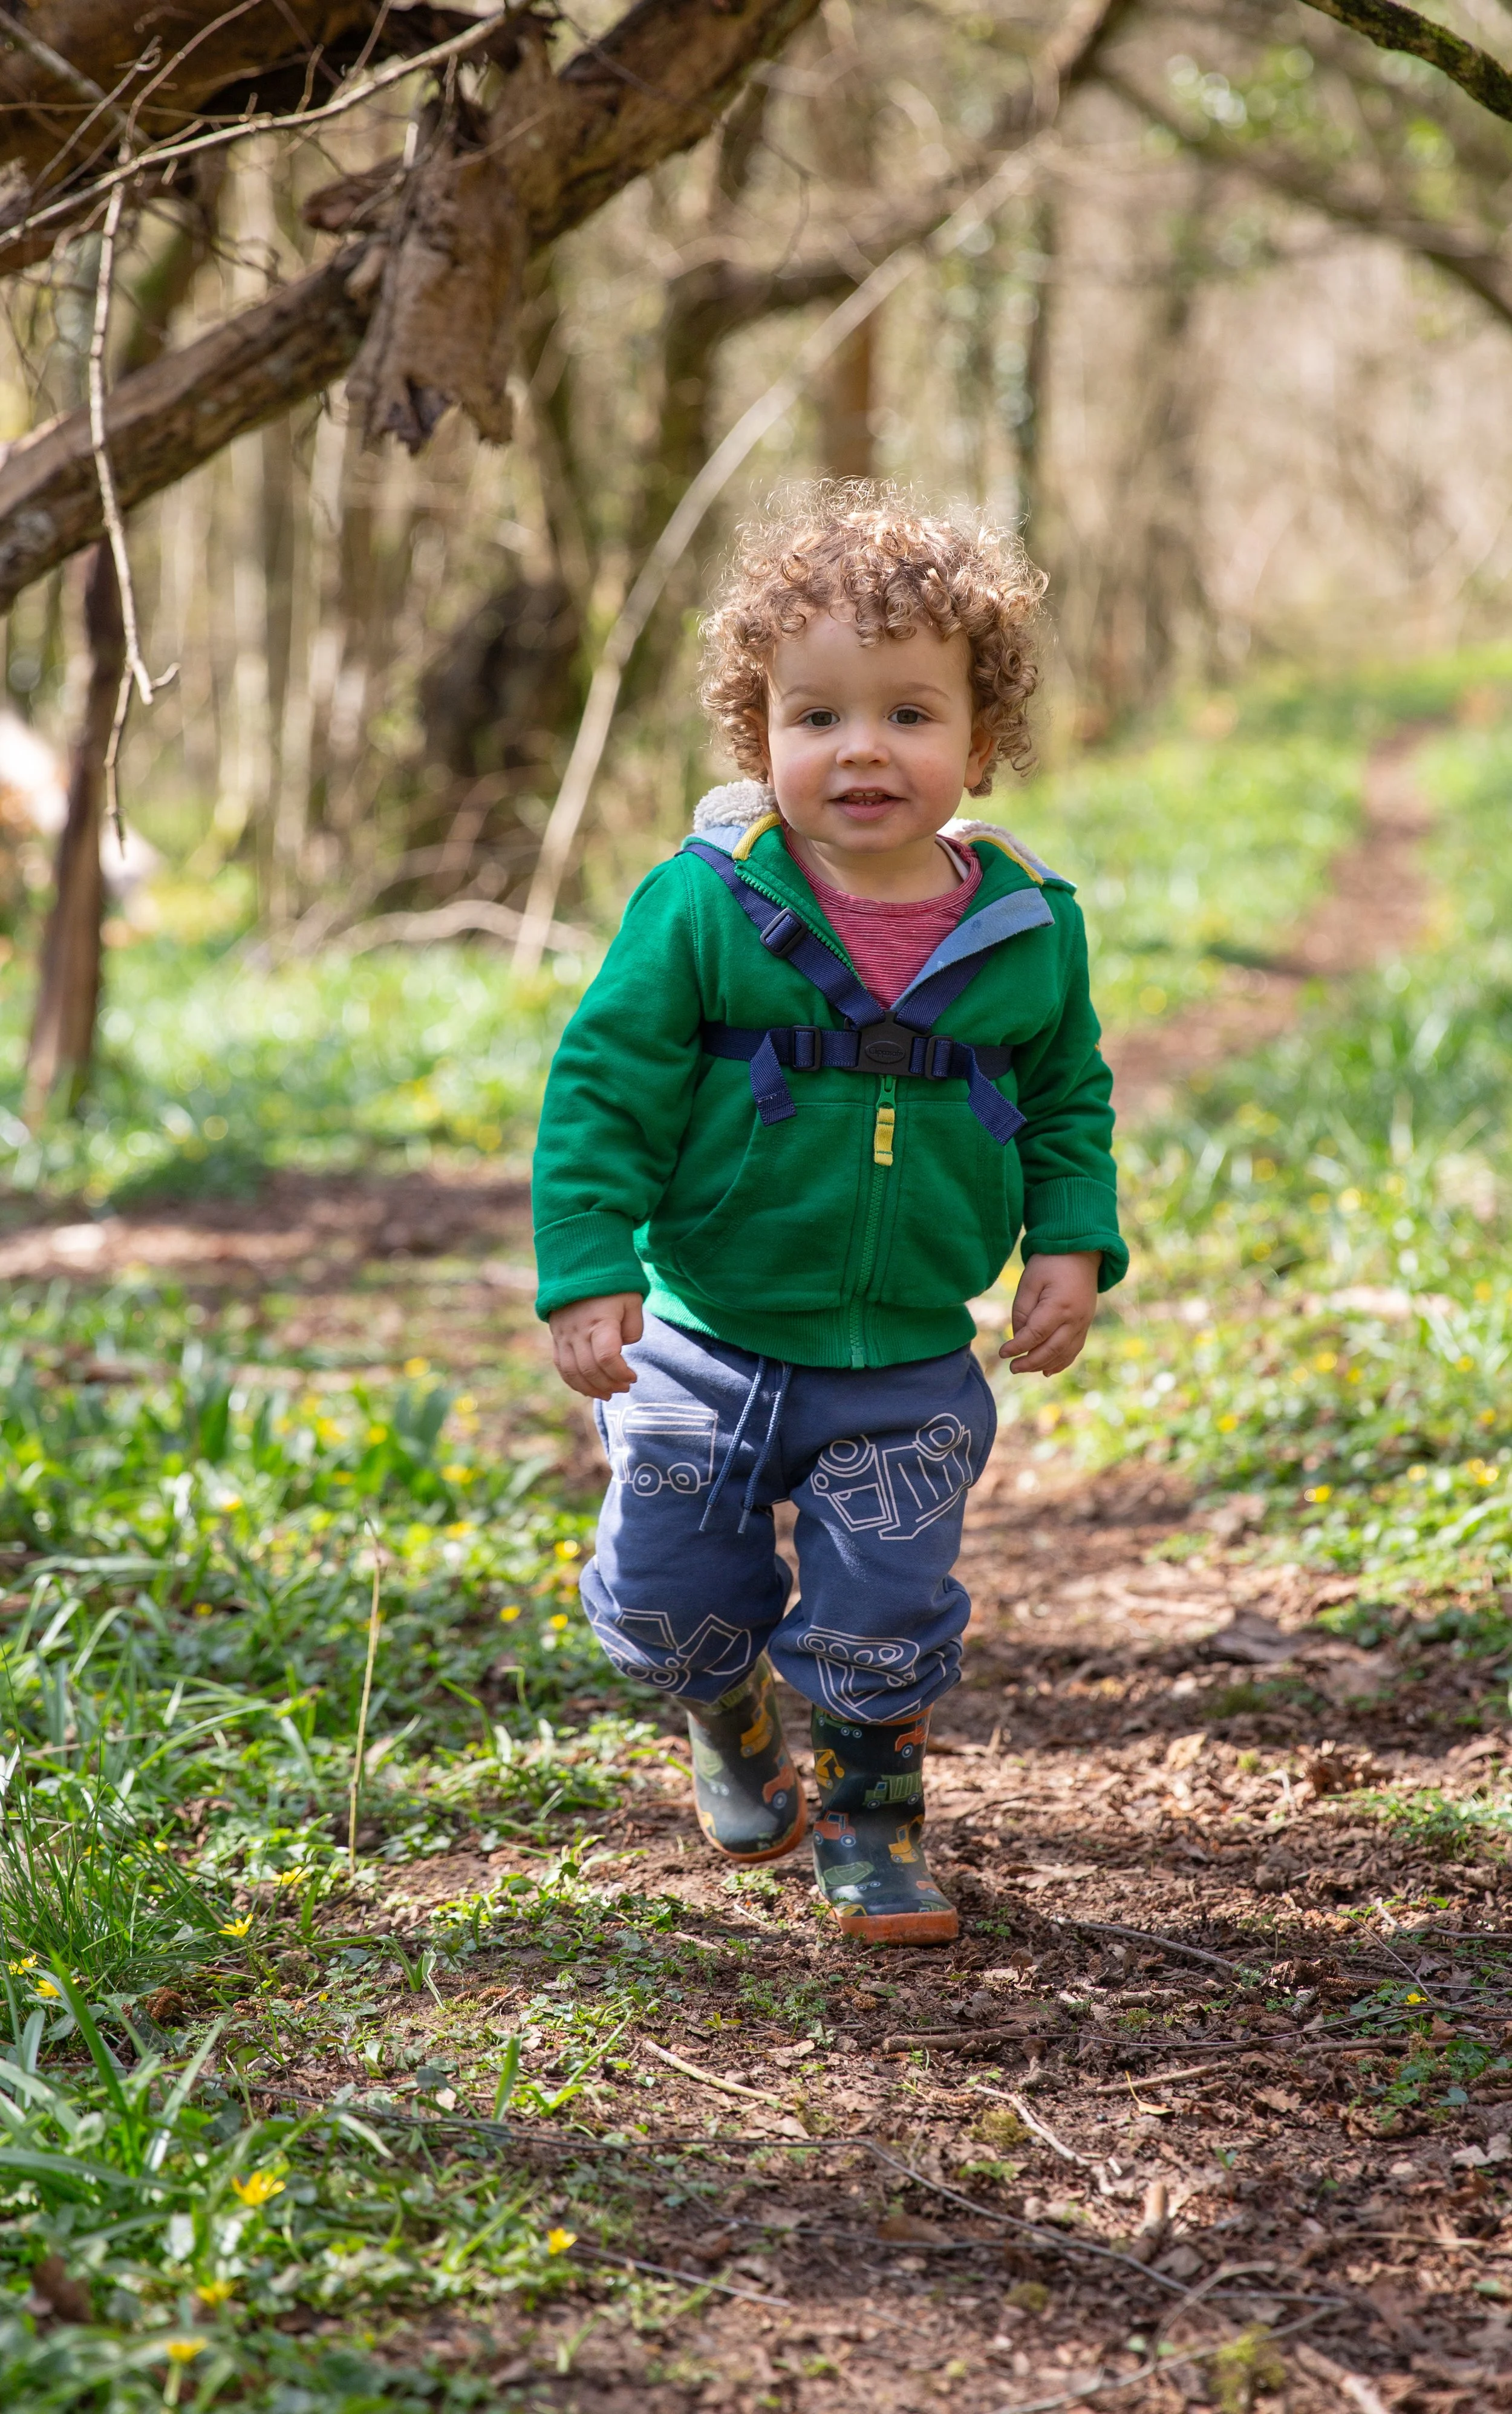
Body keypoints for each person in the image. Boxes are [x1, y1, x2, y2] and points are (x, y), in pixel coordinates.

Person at [532, 487, 1126, 1944]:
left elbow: (1066, 1098)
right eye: (817, 718)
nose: (861, 749)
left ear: (978, 743)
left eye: (908, 715)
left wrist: (1067, 1240)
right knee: (666, 1595)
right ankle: (728, 1719)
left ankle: (871, 1823)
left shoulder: (1026, 927)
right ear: (762, 742)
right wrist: (589, 1266)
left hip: (906, 1356)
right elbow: (602, 1083)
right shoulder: (703, 908)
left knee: (881, 1608)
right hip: (705, 1337)